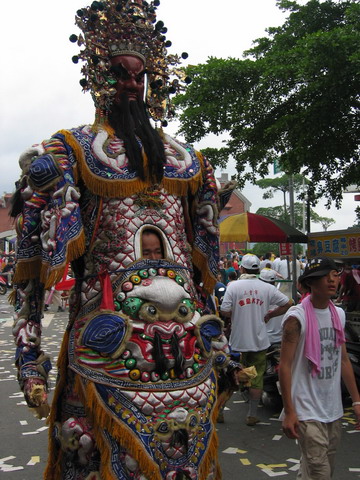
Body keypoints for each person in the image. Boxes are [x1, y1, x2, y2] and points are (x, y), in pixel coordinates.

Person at [11, 2, 226, 479]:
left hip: (185, 354)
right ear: (98, 77)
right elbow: (30, 267)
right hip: (107, 344)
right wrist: (30, 358)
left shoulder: (188, 163)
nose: (131, 84)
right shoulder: (70, 151)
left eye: (139, 76)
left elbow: (204, 265)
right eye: (119, 74)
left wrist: (221, 343)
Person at [279, 257, 360, 479]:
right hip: (306, 409)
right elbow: (284, 365)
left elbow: (342, 360)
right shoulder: (297, 318)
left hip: (332, 409)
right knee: (320, 472)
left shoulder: (339, 314)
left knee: (321, 467)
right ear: (312, 283)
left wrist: (356, 401)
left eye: (334, 275)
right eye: (325, 276)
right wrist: (290, 410)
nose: (332, 281)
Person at [220, 254, 292, 426]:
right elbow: (288, 303)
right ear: (258, 269)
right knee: (256, 375)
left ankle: (220, 411)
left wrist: (236, 314)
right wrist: (270, 314)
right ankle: (252, 414)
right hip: (259, 341)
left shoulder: (233, 286)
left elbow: (224, 310)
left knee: (232, 376)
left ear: (242, 269)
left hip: (237, 342)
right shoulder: (266, 288)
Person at [260, 268, 288, 344]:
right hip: (280, 339)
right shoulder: (283, 296)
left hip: (263, 340)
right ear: (274, 282)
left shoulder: (256, 296)